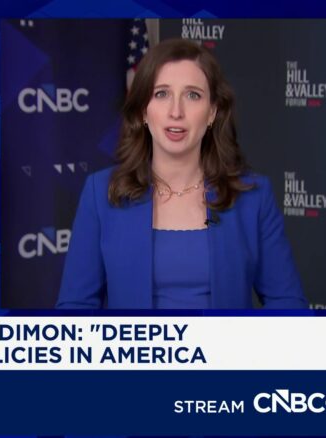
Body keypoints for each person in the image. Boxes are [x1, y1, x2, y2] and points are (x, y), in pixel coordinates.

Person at [56, 39, 307, 309]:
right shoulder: (101, 192)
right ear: (143, 110)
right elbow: (75, 309)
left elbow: (288, 303)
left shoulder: (253, 196)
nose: (176, 112)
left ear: (212, 112)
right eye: (161, 94)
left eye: (192, 95)